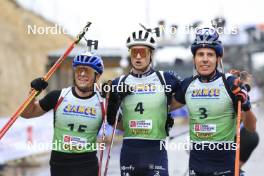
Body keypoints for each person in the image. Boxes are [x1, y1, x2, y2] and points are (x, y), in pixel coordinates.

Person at [170, 27, 257, 176]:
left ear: (218, 59)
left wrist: (246, 105)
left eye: (210, 54)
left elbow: (251, 128)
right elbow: (163, 107)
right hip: (196, 168)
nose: (204, 59)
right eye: (200, 54)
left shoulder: (230, 84)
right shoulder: (187, 84)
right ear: (194, 59)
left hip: (225, 168)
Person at [107, 30, 181, 176]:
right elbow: (113, 121)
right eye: (134, 52)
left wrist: (164, 116)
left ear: (151, 54)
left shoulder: (165, 79)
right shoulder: (118, 83)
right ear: (130, 54)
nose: (138, 56)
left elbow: (188, 95)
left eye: (143, 52)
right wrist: (113, 104)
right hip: (130, 152)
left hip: (155, 152)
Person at [21, 51, 104, 176]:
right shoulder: (58, 96)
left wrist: (117, 104)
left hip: (87, 164)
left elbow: (119, 126)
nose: (82, 74)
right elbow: (26, 113)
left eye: (87, 70)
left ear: (97, 76)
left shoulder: (103, 102)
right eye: (78, 70)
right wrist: (33, 93)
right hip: (60, 164)